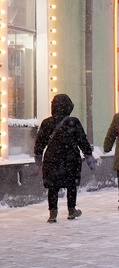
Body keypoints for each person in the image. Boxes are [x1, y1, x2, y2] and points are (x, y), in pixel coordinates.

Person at [34, 93, 94, 223]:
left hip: (52, 158)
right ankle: (72, 210)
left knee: (52, 187)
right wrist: (88, 155)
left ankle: (52, 213)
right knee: (71, 185)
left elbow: (40, 142)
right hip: (70, 158)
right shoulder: (73, 122)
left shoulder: (47, 123)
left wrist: (38, 155)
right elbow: (82, 140)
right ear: (68, 107)